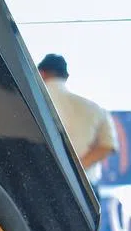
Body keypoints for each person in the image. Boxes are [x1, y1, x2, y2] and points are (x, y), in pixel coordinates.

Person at [38, 54, 118, 182]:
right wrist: (74, 169)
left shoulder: (30, 103)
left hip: (38, 181)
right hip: (80, 186)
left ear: (41, 73)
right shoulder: (95, 109)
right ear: (66, 76)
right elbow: (107, 145)